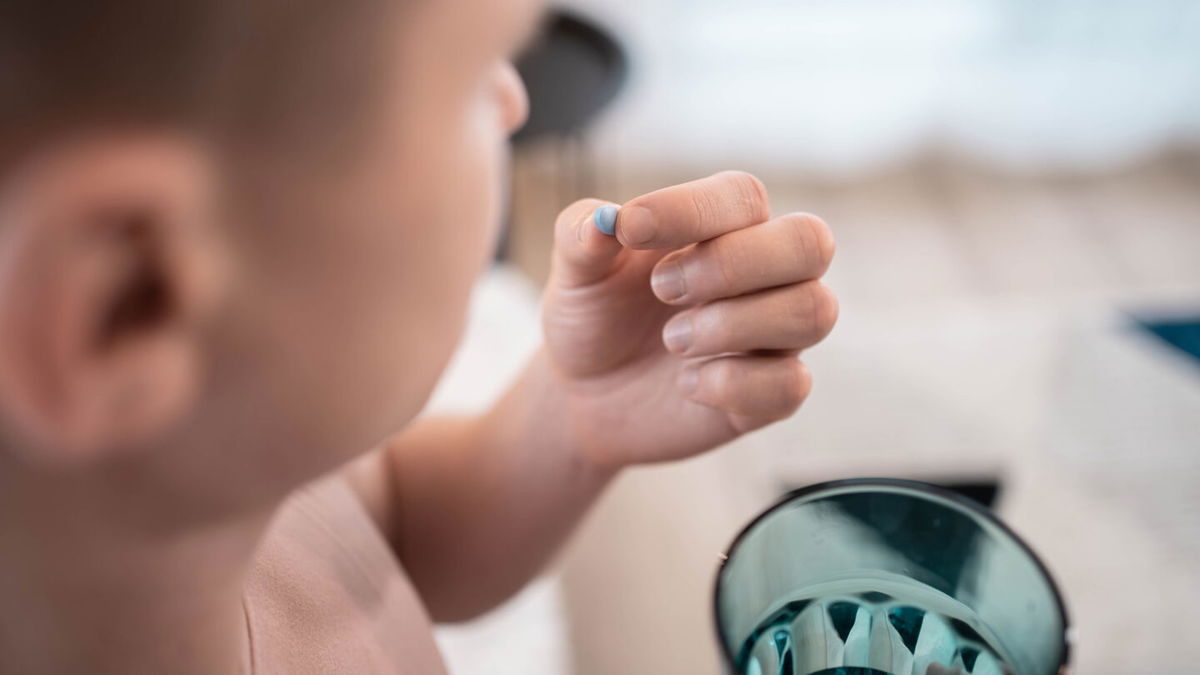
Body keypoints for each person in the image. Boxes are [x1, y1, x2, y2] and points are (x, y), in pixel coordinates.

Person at [0, 0, 838, 672]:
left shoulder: (235, 465)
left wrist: (574, 414)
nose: (515, 101)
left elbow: (396, 527)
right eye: (473, 76)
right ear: (130, 301)